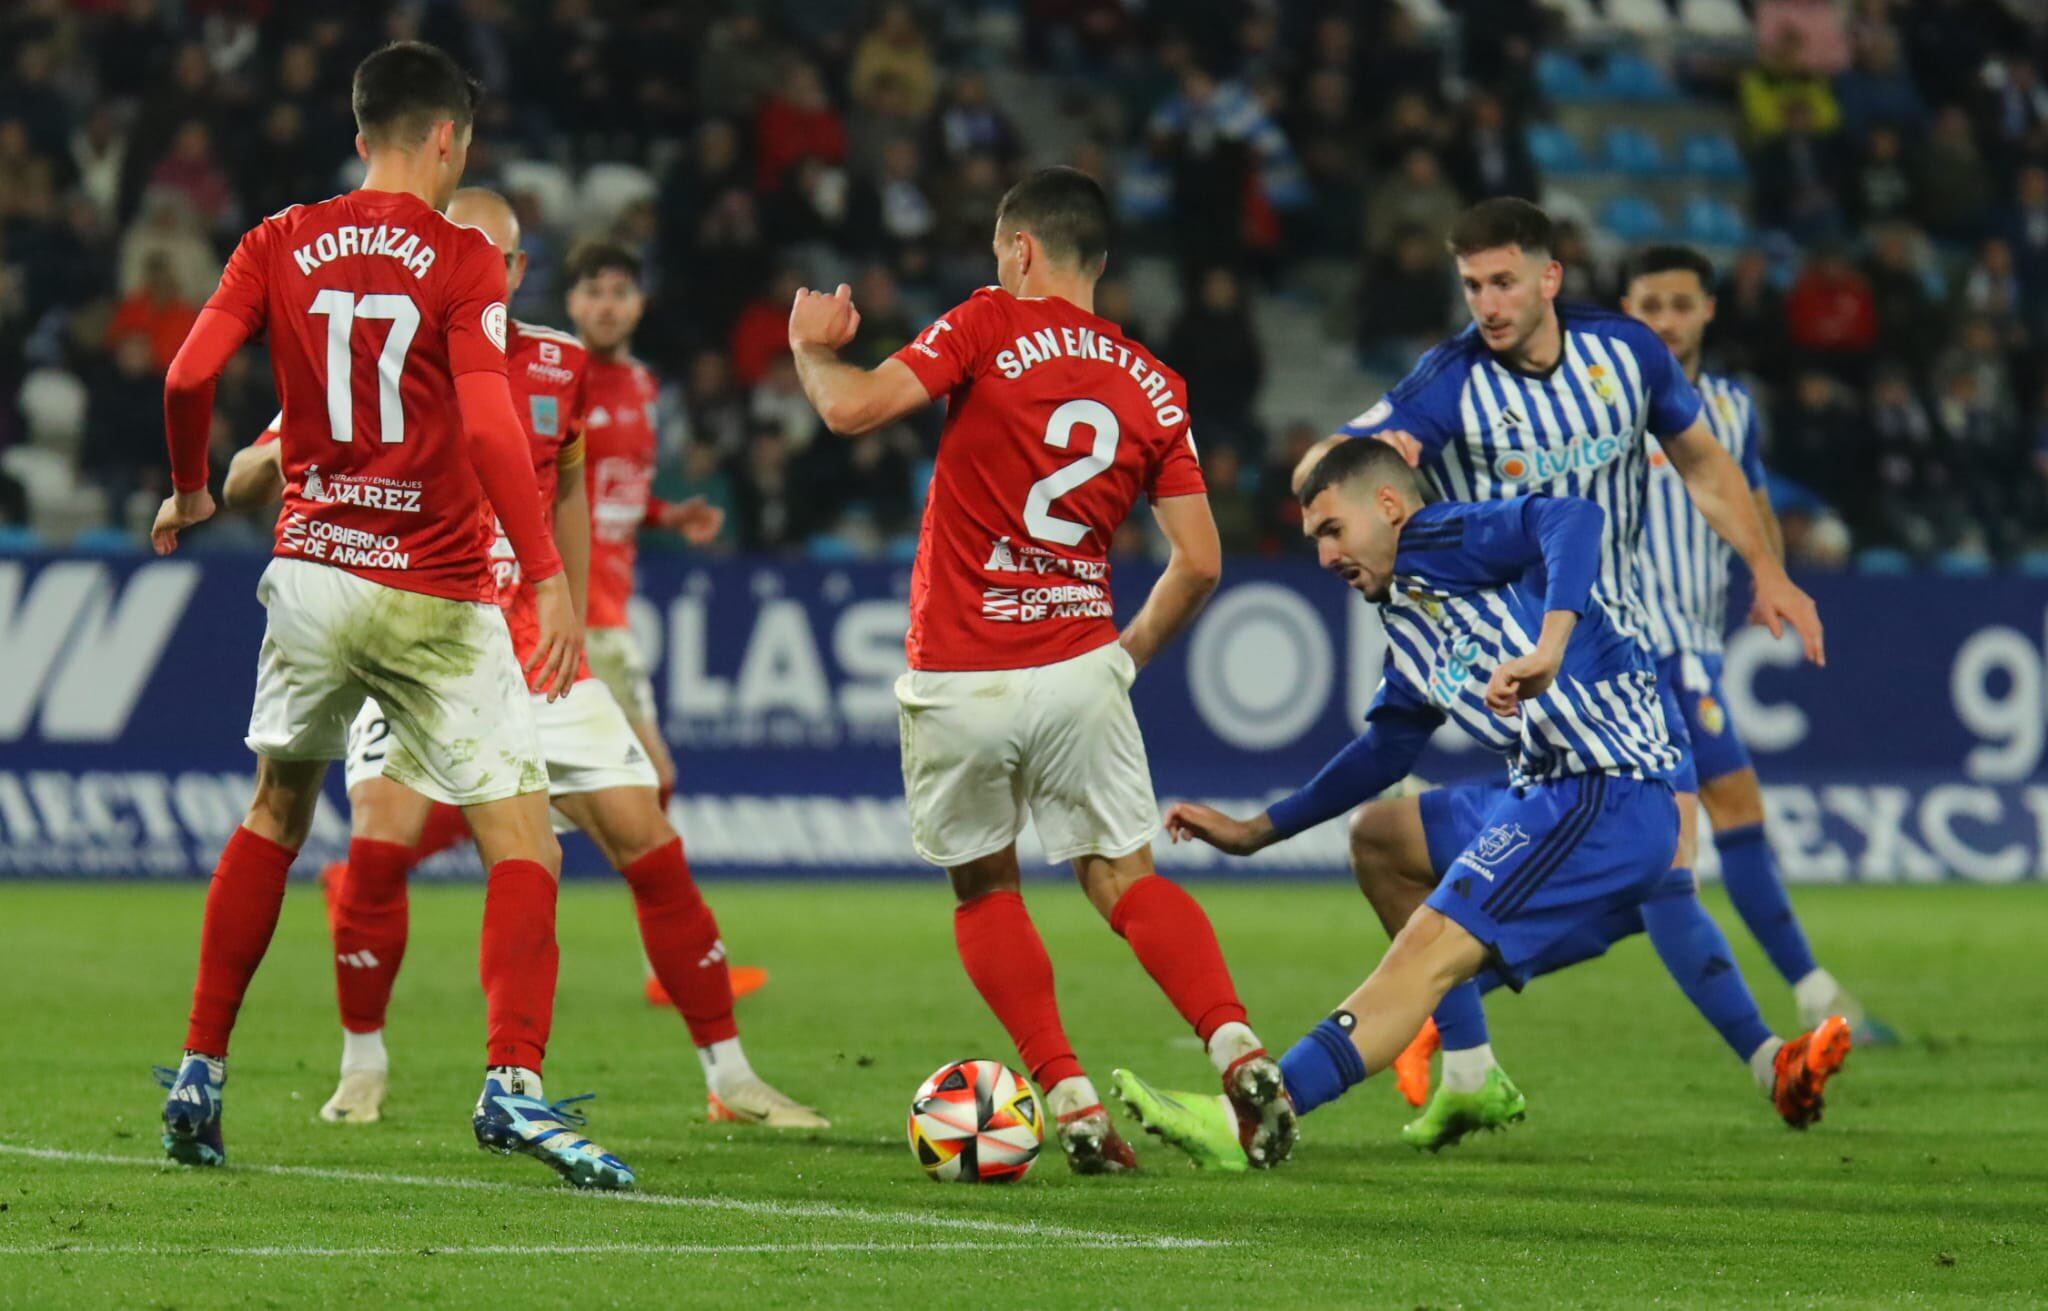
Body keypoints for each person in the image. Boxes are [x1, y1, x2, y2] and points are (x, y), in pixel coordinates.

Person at [222, 190, 822, 1134]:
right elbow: (259, 464)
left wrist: (567, 610)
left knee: (648, 840)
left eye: (497, 257)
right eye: (465, 251)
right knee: (377, 851)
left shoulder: (558, 363)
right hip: (422, 637)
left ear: (518, 269)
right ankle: (362, 1064)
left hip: (531, 649)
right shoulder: (387, 353)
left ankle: (731, 1075)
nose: (482, 269)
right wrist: (273, 460)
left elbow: (570, 488)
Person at [148, 41, 632, 1189]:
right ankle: (511, 1083)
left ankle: (199, 1070)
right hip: (435, 585)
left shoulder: (277, 238)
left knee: (275, 809)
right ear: (448, 139)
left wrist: (189, 487)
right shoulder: (464, 257)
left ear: (362, 131)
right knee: (521, 834)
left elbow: (184, 379)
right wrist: (547, 573)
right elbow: (483, 430)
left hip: (313, 568)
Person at [1116, 441, 1851, 1166]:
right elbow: (1384, 751)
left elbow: (1571, 518)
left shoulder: (1440, 537)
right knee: (1384, 841)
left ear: (1389, 506)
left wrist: (1552, 643)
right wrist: (1255, 831)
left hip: (1604, 788)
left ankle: (1256, 1117)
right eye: (1313, 539)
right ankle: (1468, 1066)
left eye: (1332, 530)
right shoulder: (1405, 618)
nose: (1324, 556)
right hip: (1545, 790)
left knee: (1426, 949)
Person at [784, 166, 1294, 1173]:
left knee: (983, 889)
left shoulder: (985, 323)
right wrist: (1121, 656)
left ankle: (1067, 1099)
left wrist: (807, 346)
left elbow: (851, 411)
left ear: (1020, 251)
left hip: (961, 670)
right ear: (1096, 263)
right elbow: (1198, 561)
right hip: (1077, 669)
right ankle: (1233, 1043)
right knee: (1121, 875)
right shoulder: (1154, 383)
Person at [1303, 197, 1829, 1147]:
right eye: (1471, 286)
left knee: (1650, 868)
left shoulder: (1624, 354)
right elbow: (1344, 453)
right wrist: (1366, 476)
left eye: (1503, 281)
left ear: (1550, 276)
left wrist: (1768, 570)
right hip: (1526, 666)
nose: (1487, 303)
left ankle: (1755, 1054)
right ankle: (1482, 1060)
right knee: (1412, 844)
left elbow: (1706, 465)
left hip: (1619, 656)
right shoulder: (1449, 381)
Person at [1622, 245, 1891, 1042]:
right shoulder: (1602, 401)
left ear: (1708, 309)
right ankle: (1811, 993)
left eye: (1679, 304)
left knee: (1648, 863)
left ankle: (1460, 976)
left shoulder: (1733, 407)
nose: (1665, 320)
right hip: (1641, 647)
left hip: (1697, 641)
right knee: (1711, 823)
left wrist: (1770, 574)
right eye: (1649, 305)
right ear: (1627, 312)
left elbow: (1753, 501)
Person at [561, 240, 721, 808]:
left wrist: (667, 515)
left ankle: (382, 865)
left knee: (551, 785)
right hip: (570, 611)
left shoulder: (645, 385)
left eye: (619, 292)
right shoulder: (555, 378)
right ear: (572, 303)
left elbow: (613, 493)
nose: (607, 306)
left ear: (640, 304)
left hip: (609, 604)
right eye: (594, 292)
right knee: (652, 783)